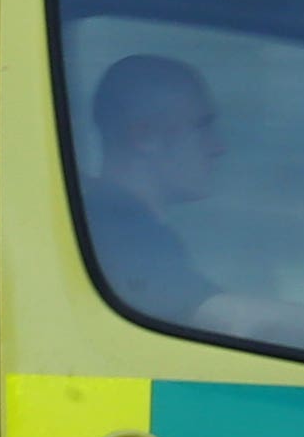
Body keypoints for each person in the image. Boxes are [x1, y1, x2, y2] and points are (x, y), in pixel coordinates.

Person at [82, 53, 226, 325]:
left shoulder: (99, 221)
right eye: (202, 126)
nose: (219, 147)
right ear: (144, 137)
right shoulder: (120, 235)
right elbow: (224, 321)